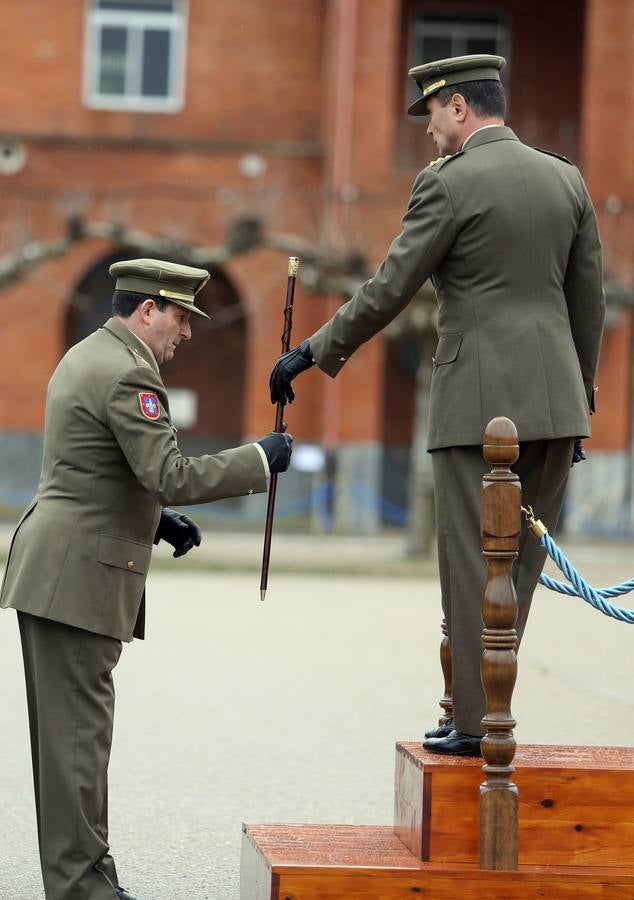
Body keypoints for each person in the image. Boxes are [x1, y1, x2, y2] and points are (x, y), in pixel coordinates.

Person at [269, 54, 605, 756]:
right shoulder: (565, 179)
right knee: (519, 569)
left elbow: (391, 287)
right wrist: (581, 403)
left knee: (469, 563)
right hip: (555, 406)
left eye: (431, 116)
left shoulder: (448, 185)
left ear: (459, 107)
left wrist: (311, 351)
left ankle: (477, 724)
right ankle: (487, 714)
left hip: (476, 407)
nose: (428, 133)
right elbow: (587, 305)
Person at [1, 258, 293, 900]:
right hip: (77, 576)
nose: (185, 333)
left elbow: (95, 468)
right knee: (77, 744)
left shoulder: (89, 354)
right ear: (149, 310)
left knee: (67, 743)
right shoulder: (132, 372)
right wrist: (258, 460)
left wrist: (156, 520)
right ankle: (83, 890)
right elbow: (170, 471)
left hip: (60, 567)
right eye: (181, 317)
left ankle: (84, 878)